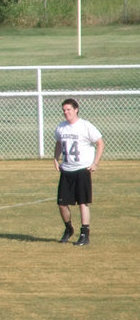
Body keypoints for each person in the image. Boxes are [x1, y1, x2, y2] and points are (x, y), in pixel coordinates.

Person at [53, 98, 105, 246]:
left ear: (76, 109)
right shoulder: (61, 127)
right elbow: (58, 143)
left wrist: (95, 163)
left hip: (82, 169)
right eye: (64, 110)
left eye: (68, 109)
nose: (66, 112)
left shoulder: (85, 126)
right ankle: (68, 229)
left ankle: (84, 234)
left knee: (83, 202)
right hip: (67, 169)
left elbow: (100, 143)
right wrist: (56, 159)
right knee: (62, 204)